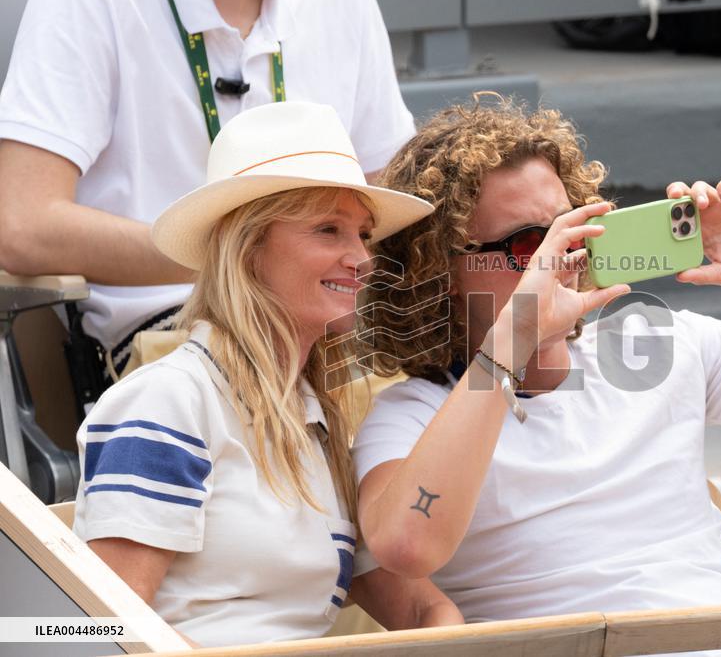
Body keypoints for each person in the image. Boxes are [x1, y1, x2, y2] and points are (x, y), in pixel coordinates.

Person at [349, 96, 721, 656]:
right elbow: (409, 546)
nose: (566, 262)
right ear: (440, 269)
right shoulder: (415, 413)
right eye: (532, 244)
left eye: (574, 232)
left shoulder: (653, 343)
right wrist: (509, 346)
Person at [72, 101, 462, 648]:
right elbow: (92, 630)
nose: (361, 258)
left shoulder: (317, 420)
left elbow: (421, 610)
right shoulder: (169, 401)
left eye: (363, 235)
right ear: (247, 247)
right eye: (329, 230)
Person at [0, 0, 413, 391]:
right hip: (173, 333)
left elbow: (396, 201)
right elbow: (21, 225)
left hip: (337, 327)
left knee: (459, 376)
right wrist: (246, 265)